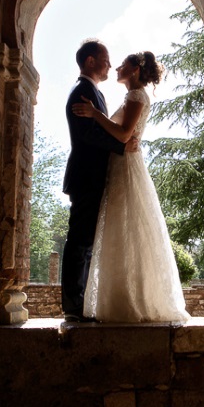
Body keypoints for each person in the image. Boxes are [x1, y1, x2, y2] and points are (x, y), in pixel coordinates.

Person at [72, 51, 191, 323]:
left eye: (123, 65)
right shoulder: (131, 96)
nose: (116, 68)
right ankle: (120, 297)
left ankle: (131, 300)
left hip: (126, 166)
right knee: (120, 229)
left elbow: (125, 134)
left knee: (128, 226)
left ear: (136, 69)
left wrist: (94, 114)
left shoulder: (137, 96)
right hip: (120, 162)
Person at [60, 39, 133, 323]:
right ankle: (72, 306)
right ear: (90, 61)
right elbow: (88, 135)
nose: (110, 65)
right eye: (105, 59)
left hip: (93, 175)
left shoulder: (92, 93)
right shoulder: (82, 91)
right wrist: (122, 147)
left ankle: (80, 303)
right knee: (79, 240)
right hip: (86, 175)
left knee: (86, 240)